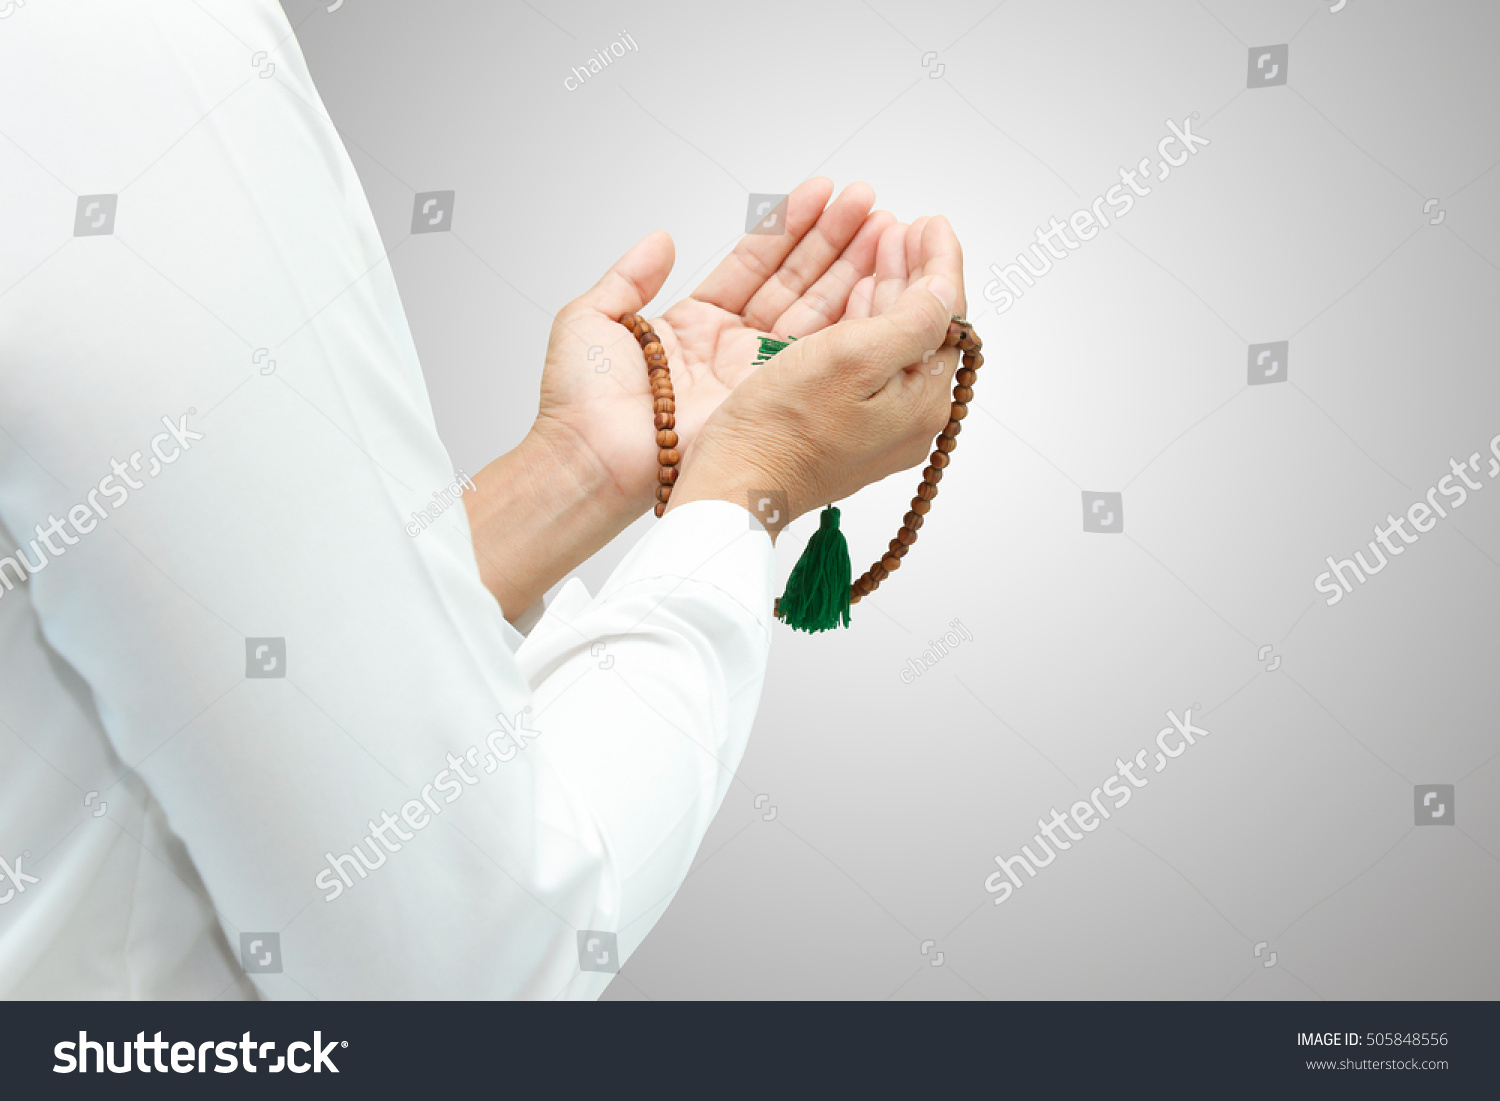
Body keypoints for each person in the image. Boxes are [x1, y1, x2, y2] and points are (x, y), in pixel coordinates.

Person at [0, 0, 966, 998]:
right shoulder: (117, 53)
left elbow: (186, 673)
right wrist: (752, 483)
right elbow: (458, 971)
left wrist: (575, 472)